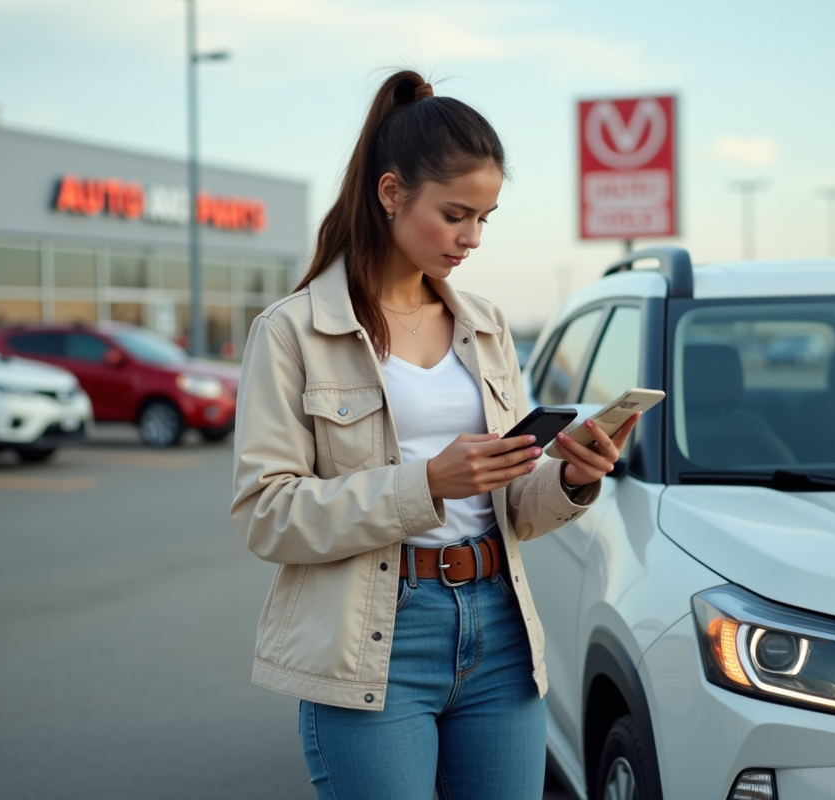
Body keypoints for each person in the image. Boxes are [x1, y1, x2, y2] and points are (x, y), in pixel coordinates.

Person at [230, 69, 640, 800]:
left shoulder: (486, 325)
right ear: (391, 193)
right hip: (373, 641)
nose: (472, 239)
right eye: (456, 215)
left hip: (499, 628)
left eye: (486, 218)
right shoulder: (292, 331)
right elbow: (266, 515)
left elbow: (513, 502)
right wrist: (426, 486)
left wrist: (574, 479)